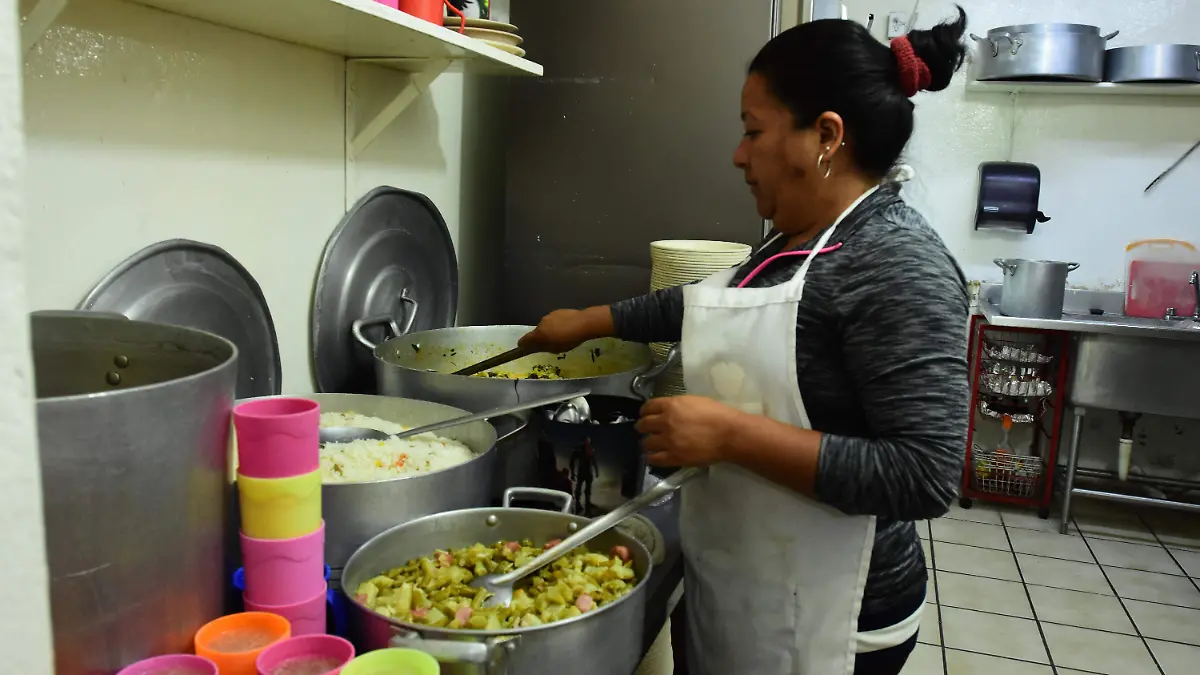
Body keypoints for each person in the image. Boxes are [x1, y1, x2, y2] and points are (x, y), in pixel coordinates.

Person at [519, 8, 971, 675]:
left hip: (834, 618)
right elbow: (708, 301)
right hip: (746, 575)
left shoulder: (899, 264)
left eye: (753, 131)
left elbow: (926, 474)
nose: (738, 153)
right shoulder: (802, 235)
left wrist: (730, 435)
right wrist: (589, 320)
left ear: (825, 136)